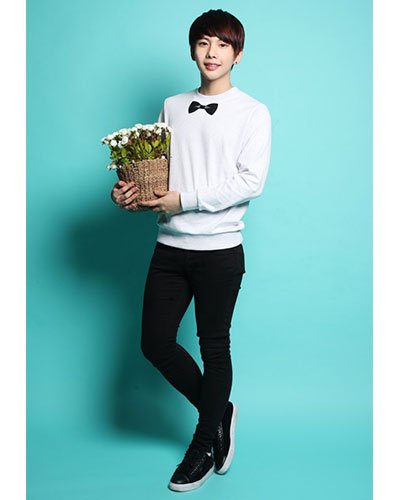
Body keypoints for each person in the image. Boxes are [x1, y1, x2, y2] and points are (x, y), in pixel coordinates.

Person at [110, 8, 272, 493]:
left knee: (213, 346)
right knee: (154, 343)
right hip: (169, 247)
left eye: (223, 44)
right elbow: (157, 173)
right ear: (192, 50)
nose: (212, 52)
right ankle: (219, 410)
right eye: (204, 42)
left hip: (220, 251)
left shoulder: (253, 112)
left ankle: (203, 445)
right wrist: (127, 193)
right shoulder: (172, 106)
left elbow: (251, 181)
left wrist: (185, 200)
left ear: (238, 55)